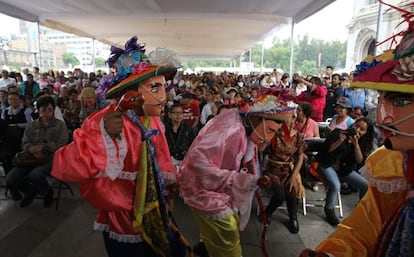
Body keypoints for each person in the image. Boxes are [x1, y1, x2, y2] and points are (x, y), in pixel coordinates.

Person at [51, 36, 186, 257]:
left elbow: (159, 159)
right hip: (123, 219)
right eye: (155, 88)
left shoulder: (153, 120)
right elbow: (63, 166)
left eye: (164, 87)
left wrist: (170, 180)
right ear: (132, 93)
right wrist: (101, 136)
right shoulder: (104, 121)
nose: (165, 97)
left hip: (154, 209)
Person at [300, 12, 414, 255]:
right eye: (382, 99)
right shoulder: (390, 164)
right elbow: (364, 230)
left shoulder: (386, 162)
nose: (385, 116)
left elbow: (358, 161)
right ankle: (331, 211)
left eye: (402, 101)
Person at [179, 94, 295, 257]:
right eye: (269, 130)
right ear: (256, 119)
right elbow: (196, 161)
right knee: (228, 237)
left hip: (218, 192)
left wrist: (256, 179)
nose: (270, 138)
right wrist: (240, 180)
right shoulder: (230, 129)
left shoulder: (243, 124)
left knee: (218, 238)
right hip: (204, 192)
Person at [6, 95, 69, 208]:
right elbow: (25, 142)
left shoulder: (60, 125)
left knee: (35, 175)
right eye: (43, 110)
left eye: (50, 110)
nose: (47, 113)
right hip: (31, 157)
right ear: (38, 110)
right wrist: (32, 149)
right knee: (12, 177)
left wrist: (43, 147)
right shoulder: (32, 125)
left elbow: (62, 144)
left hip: (51, 157)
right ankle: (30, 191)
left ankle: (46, 192)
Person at [263, 110, 305, 234]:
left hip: (288, 170)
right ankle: (268, 212)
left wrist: (293, 176)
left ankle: (293, 218)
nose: (289, 120)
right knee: (280, 195)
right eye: (286, 118)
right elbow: (262, 149)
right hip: (272, 169)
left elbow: (300, 158)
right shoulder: (274, 133)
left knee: (292, 193)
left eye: (292, 118)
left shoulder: (298, 136)